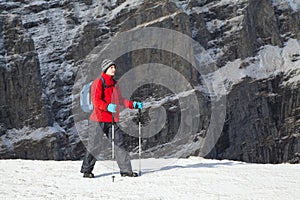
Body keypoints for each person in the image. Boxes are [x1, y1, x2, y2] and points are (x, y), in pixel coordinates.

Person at [80, 59, 143, 178]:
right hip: (98, 120)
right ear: (105, 69)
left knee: (120, 144)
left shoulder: (115, 83)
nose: (114, 69)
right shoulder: (98, 82)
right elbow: (96, 101)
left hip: (113, 120)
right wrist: (107, 106)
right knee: (94, 145)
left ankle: (126, 171)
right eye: (111, 67)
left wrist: (133, 104)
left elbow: (120, 100)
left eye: (114, 67)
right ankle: (86, 170)